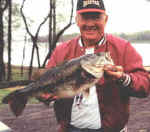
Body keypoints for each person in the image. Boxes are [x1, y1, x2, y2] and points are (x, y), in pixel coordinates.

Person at [41, 0, 150, 132]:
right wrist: (45, 95)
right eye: (85, 17)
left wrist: (123, 78)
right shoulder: (61, 50)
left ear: (106, 19)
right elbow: (43, 84)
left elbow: (145, 85)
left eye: (96, 17)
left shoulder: (123, 48)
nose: (90, 23)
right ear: (77, 20)